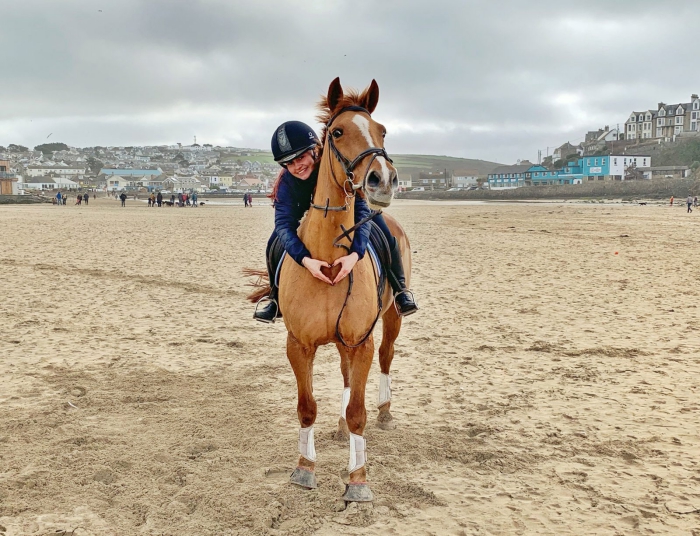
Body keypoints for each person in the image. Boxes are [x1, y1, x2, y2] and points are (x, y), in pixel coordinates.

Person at [253, 120, 418, 323]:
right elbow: (283, 223)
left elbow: (360, 207)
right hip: (304, 216)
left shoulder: (333, 164)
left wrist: (355, 254)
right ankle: (274, 297)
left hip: (347, 211)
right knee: (273, 244)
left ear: (315, 150)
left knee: (385, 232)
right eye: (289, 162)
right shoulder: (287, 181)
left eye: (301, 157)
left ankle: (400, 290)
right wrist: (305, 259)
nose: (297, 166)